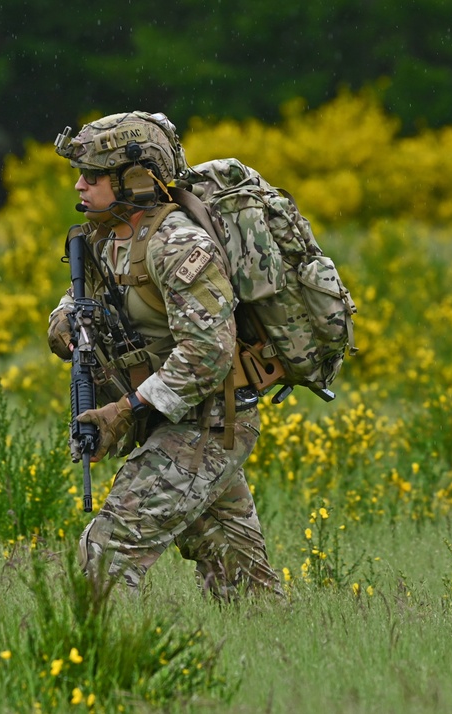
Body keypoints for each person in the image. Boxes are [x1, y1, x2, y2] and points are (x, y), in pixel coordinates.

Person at [50, 111, 283, 600]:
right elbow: (82, 300)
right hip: (170, 421)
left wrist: (124, 410)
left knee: (106, 553)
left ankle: (99, 670)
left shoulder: (178, 245)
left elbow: (207, 355)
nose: (80, 184)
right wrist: (65, 322)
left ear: (133, 178)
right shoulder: (103, 237)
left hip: (211, 422)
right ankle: (285, 656)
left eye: (92, 175)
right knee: (243, 582)